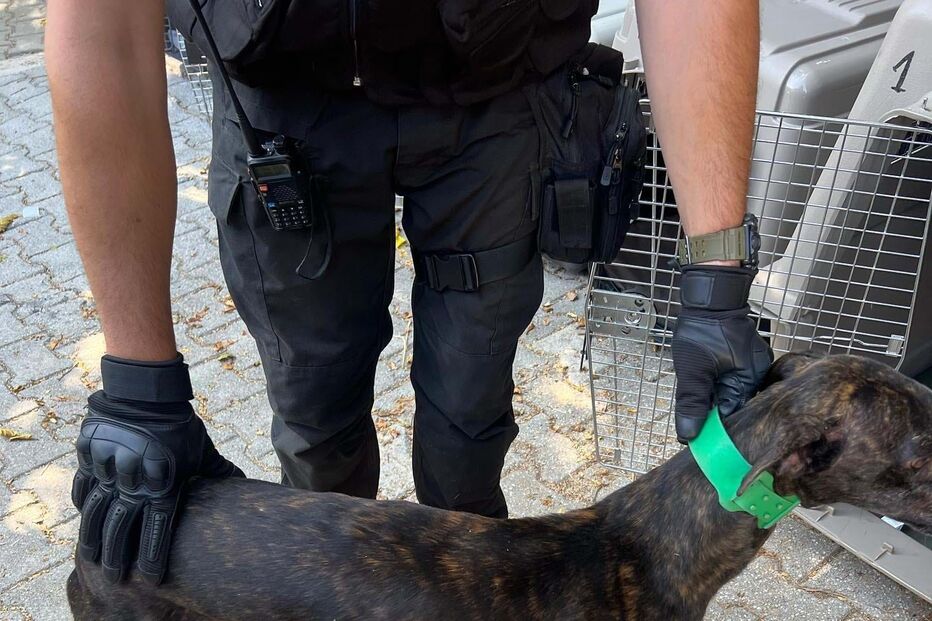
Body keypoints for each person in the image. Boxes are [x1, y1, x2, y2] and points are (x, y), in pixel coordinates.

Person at [46, 0, 771, 586]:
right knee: (317, 432)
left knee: (468, 436)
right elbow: (101, 23)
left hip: (497, 98)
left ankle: (471, 593)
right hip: (284, 106)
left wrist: (716, 271)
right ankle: (329, 585)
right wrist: (138, 378)